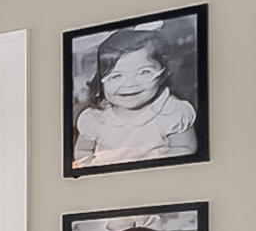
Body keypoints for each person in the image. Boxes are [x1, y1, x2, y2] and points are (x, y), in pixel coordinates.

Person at [73, 28, 199, 168]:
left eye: (144, 72)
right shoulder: (95, 118)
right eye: (116, 76)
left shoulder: (172, 112)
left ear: (164, 74)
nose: (129, 84)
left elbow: (185, 148)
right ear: (100, 82)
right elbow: (83, 151)